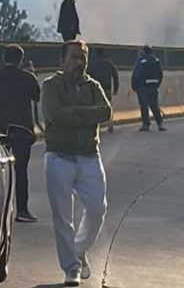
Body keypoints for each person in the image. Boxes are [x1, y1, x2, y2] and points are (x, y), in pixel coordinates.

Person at [40, 40, 112, 287]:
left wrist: (75, 112)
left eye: (82, 57)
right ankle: (71, 268)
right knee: (62, 217)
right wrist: (85, 114)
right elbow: (55, 115)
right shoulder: (50, 86)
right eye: (73, 57)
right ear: (62, 61)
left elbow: (106, 112)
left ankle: (79, 251)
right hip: (59, 156)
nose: (78, 62)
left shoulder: (93, 86)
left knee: (97, 208)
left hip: (89, 155)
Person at [0, 44, 41, 223]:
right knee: (21, 171)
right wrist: (31, 73)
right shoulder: (28, 78)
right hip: (23, 130)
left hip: (1, 130)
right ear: (21, 60)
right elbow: (36, 98)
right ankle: (22, 211)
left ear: (4, 58)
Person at [131, 46, 165, 132]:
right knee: (154, 105)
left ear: (143, 51)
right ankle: (160, 123)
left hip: (143, 86)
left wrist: (134, 85)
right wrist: (157, 84)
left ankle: (146, 124)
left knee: (144, 105)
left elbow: (136, 73)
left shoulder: (141, 60)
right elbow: (160, 73)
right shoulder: (156, 60)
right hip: (153, 86)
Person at [86, 47, 119, 133]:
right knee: (108, 106)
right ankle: (110, 124)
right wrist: (115, 89)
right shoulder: (109, 63)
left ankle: (96, 126)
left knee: (95, 107)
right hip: (107, 88)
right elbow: (115, 76)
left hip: (94, 89)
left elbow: (86, 76)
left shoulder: (91, 63)